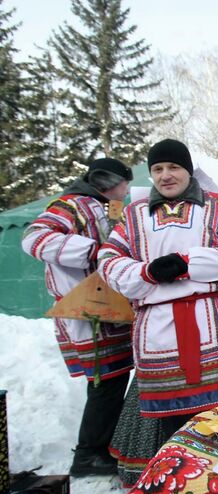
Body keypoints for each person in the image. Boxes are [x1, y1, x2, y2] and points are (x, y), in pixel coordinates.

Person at [98, 139, 218, 446]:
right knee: (172, 421)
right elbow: (107, 262)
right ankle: (178, 479)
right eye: (157, 169)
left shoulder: (217, 205)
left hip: (214, 324)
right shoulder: (133, 214)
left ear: (188, 170)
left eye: (174, 167)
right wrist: (147, 272)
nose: (165, 175)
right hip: (158, 333)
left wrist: (188, 262)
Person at [21, 158, 134, 476]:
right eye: (125, 184)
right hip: (86, 310)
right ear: (112, 181)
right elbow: (34, 237)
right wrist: (91, 251)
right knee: (105, 380)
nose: (126, 191)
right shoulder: (70, 204)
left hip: (111, 308)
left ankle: (105, 445)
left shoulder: (108, 206)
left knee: (115, 378)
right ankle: (89, 454)